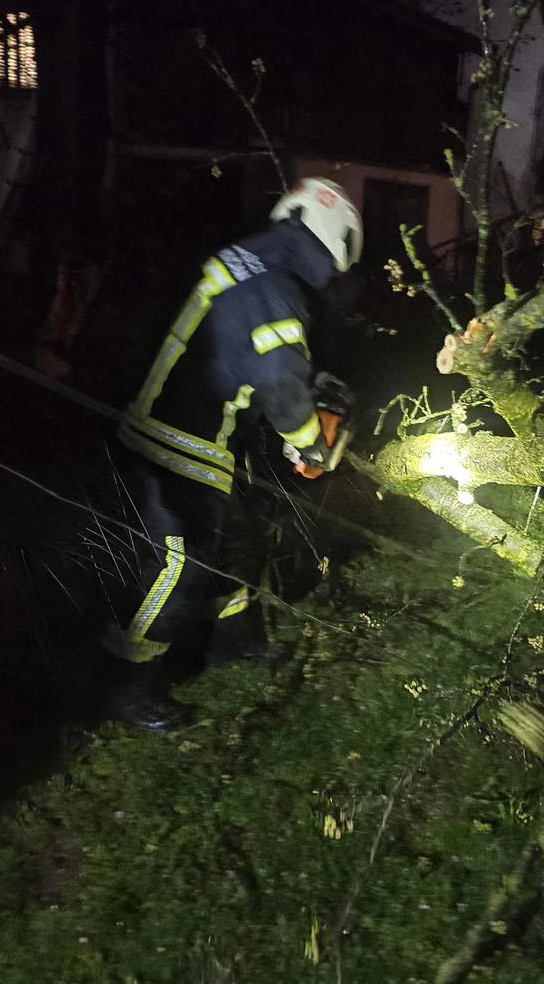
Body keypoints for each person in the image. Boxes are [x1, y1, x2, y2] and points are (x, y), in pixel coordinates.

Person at [100, 177, 361, 730]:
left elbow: (251, 359)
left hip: (198, 432)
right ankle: (127, 683)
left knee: (236, 542)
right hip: (182, 437)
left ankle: (233, 641)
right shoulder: (277, 287)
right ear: (337, 246)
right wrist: (313, 445)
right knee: (178, 565)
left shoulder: (252, 262)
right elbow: (279, 380)